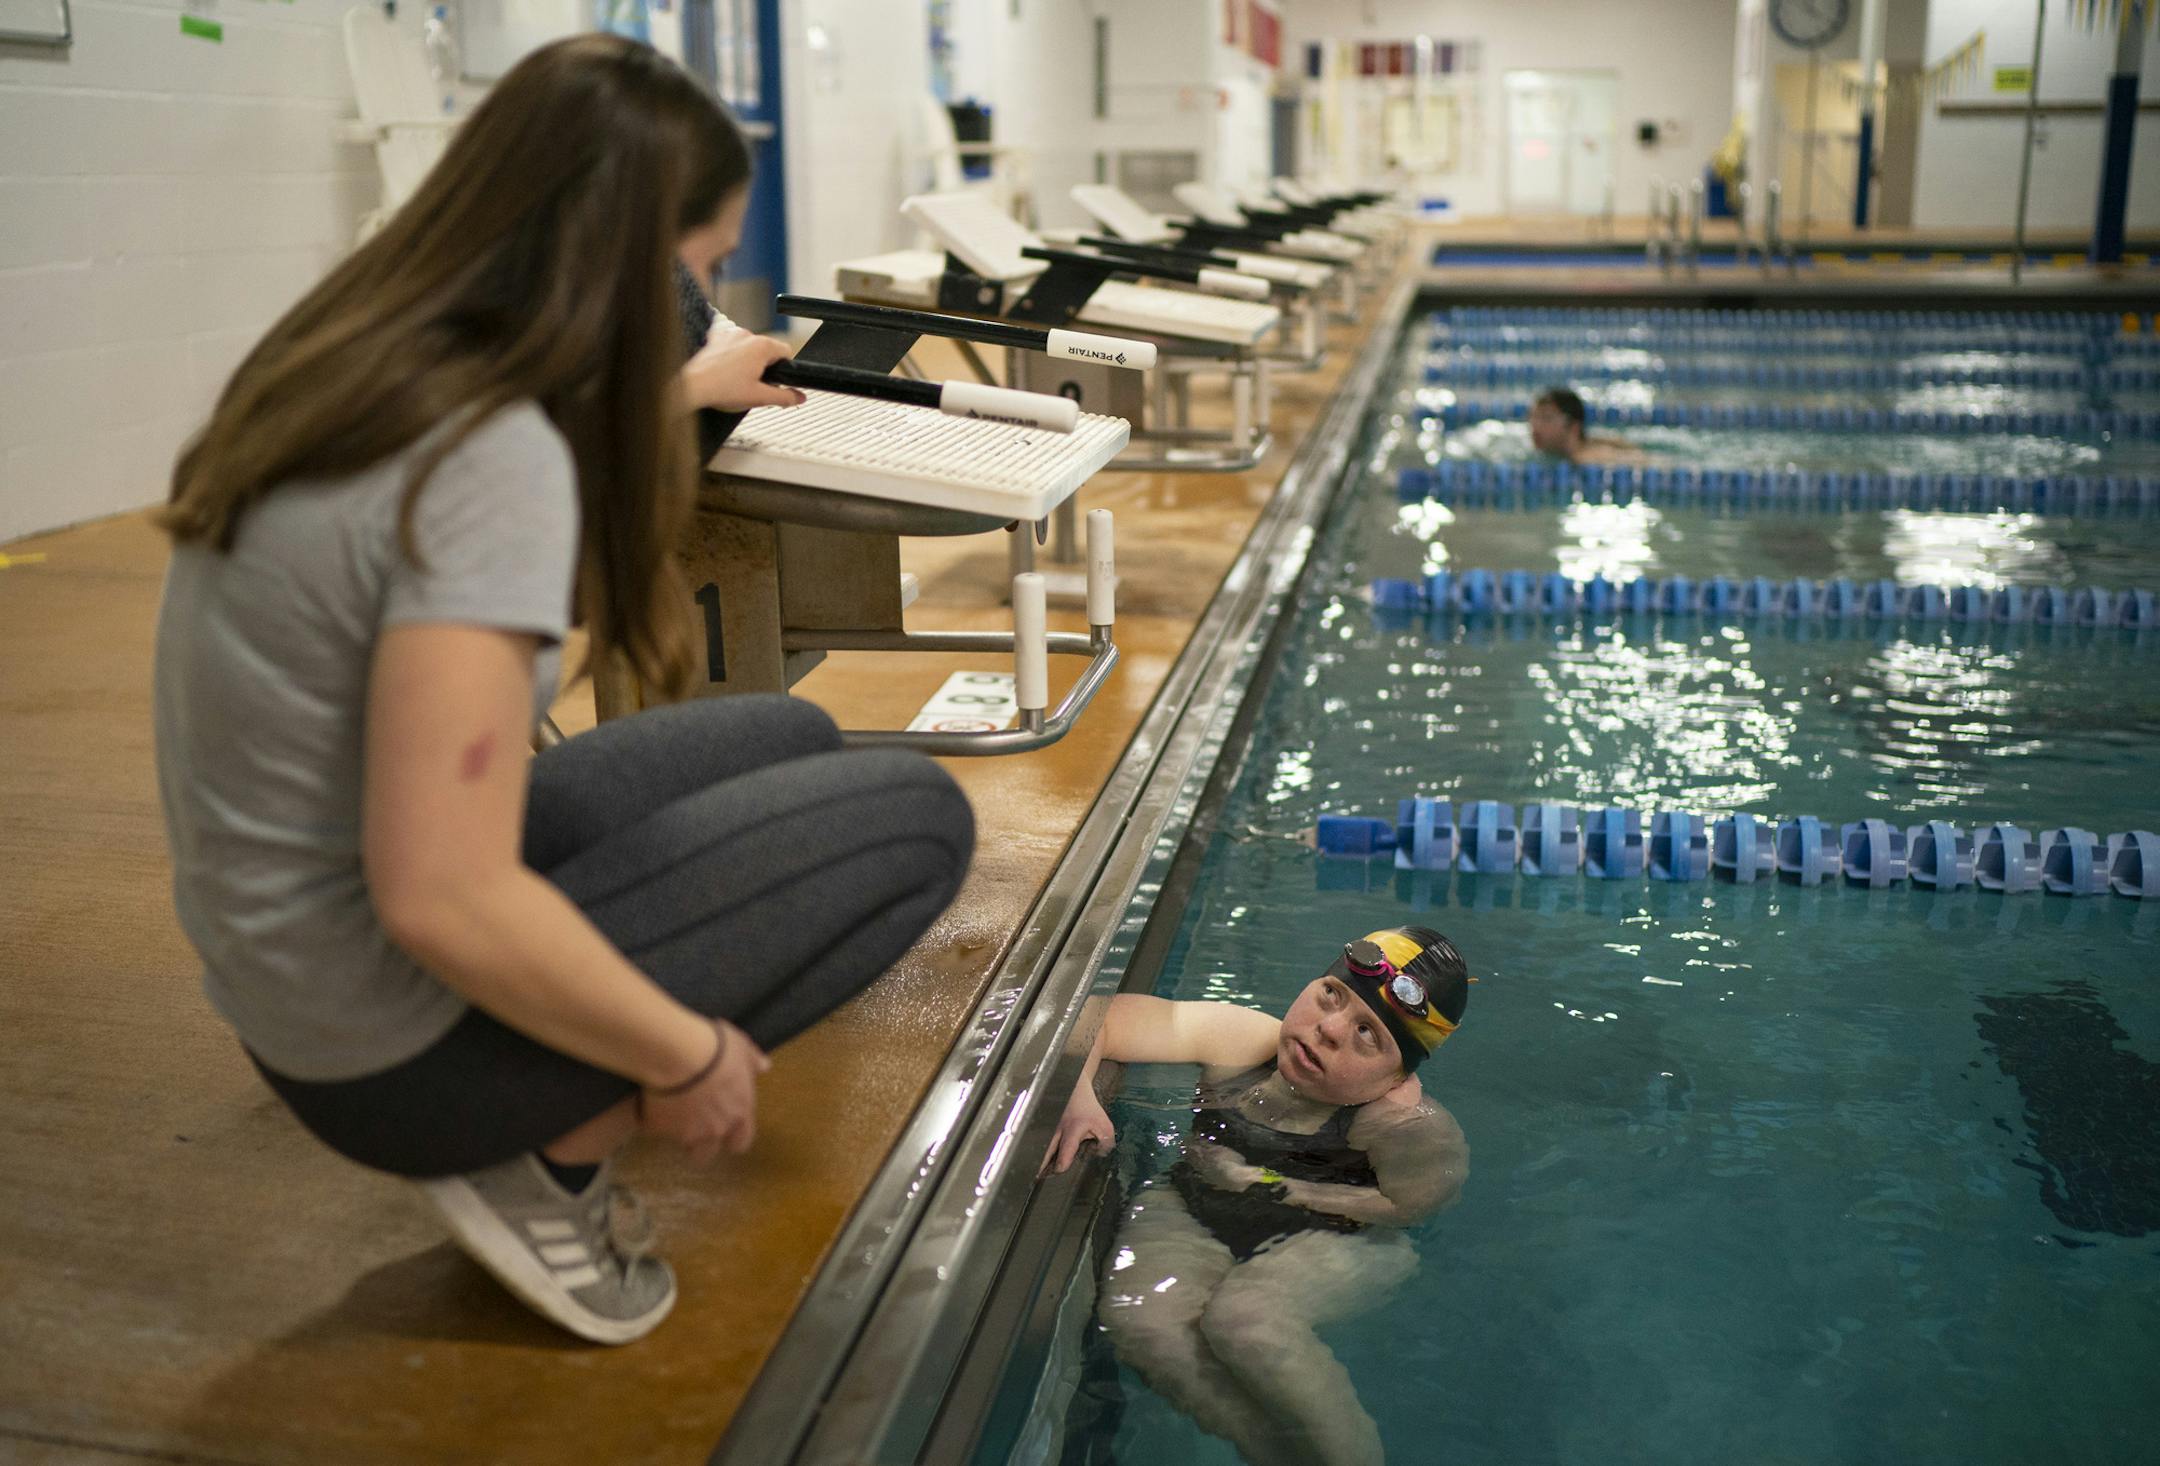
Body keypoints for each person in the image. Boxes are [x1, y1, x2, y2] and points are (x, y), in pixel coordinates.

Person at [152, 35, 973, 1345]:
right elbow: (442, 892)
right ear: (625, 260)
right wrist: (680, 1058)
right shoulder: (490, 460)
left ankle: (542, 1090)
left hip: (287, 963)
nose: (706, 293)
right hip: (379, 1049)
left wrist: (675, 396)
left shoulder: (362, 361)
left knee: (793, 735)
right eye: (699, 270)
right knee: (915, 818)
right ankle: (552, 1153)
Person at [1044, 927, 1472, 1466]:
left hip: (1341, 1238)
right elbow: (1094, 1017)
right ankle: (1275, 1454)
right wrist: (1078, 1096)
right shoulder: (1242, 1041)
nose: (1329, 1029)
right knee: (1142, 1321)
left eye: (1368, 1034)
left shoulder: (1405, 1126)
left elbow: (1412, 1209)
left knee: (1247, 1321)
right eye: (1331, 995)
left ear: (1397, 1074)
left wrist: (1272, 1186)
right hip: (1197, 1203)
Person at [1528, 385, 1649, 466]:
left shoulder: (1586, 459)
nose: (1535, 426)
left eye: (1546, 418)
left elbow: (1645, 461)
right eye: (1533, 417)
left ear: (1573, 427)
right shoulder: (1592, 442)